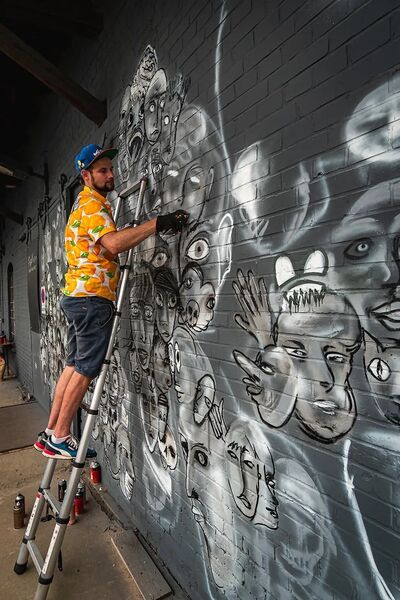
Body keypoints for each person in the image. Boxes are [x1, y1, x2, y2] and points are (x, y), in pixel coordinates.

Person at [34, 143, 189, 459]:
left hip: (77, 297)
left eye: (110, 169)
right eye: (103, 170)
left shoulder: (81, 206)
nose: (111, 175)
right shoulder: (94, 206)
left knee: (73, 365)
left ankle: (50, 433)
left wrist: (121, 240)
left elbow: (102, 250)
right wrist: (157, 223)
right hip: (92, 299)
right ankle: (62, 435)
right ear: (86, 176)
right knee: (86, 368)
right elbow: (115, 245)